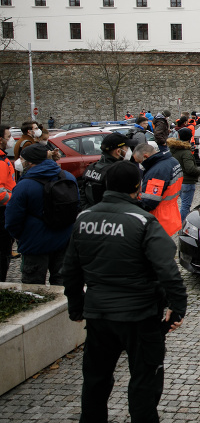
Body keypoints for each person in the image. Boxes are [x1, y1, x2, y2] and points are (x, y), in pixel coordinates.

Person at [62, 161, 187, 423]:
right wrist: (177, 309)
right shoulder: (143, 221)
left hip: (99, 314)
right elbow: (167, 270)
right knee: (144, 379)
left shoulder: (84, 218)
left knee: (95, 380)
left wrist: (76, 306)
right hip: (140, 315)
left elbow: (71, 269)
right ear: (137, 187)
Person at [5, 144, 77, 285]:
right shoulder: (68, 177)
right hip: (63, 240)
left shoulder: (24, 185)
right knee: (62, 285)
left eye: (22, 159)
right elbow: (76, 206)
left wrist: (21, 236)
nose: (20, 162)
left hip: (34, 243)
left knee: (33, 287)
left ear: (31, 162)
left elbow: (13, 218)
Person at [133, 143, 184, 237]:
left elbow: (148, 202)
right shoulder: (172, 161)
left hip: (159, 220)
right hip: (171, 215)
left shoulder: (157, 172)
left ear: (145, 156)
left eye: (140, 162)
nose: (140, 165)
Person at [81, 132, 135, 209]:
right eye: (126, 147)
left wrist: (89, 212)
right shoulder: (116, 172)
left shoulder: (91, 167)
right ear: (118, 151)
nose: (129, 150)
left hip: (92, 214)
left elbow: (82, 196)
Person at [168, 128, 200, 223]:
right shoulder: (186, 152)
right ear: (190, 138)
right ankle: (182, 225)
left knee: (176, 204)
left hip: (175, 180)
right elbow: (190, 169)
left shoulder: (172, 149)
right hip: (186, 181)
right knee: (185, 206)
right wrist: (198, 171)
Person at [0, 125, 16, 281]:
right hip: (3, 212)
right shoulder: (0, 161)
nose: (10, 139)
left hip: (5, 211)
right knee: (3, 254)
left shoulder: (4, 159)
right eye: (8, 136)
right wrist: (15, 199)